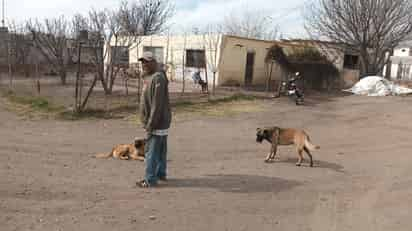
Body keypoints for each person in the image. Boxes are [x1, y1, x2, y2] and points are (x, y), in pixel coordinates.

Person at [137, 51, 172, 188]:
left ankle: (150, 179)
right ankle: (160, 173)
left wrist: (150, 124)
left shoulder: (158, 78)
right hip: (159, 121)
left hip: (157, 122)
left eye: (146, 61)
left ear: (153, 62)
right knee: (161, 148)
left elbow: (157, 105)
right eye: (142, 62)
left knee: (151, 151)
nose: (143, 64)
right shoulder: (150, 77)